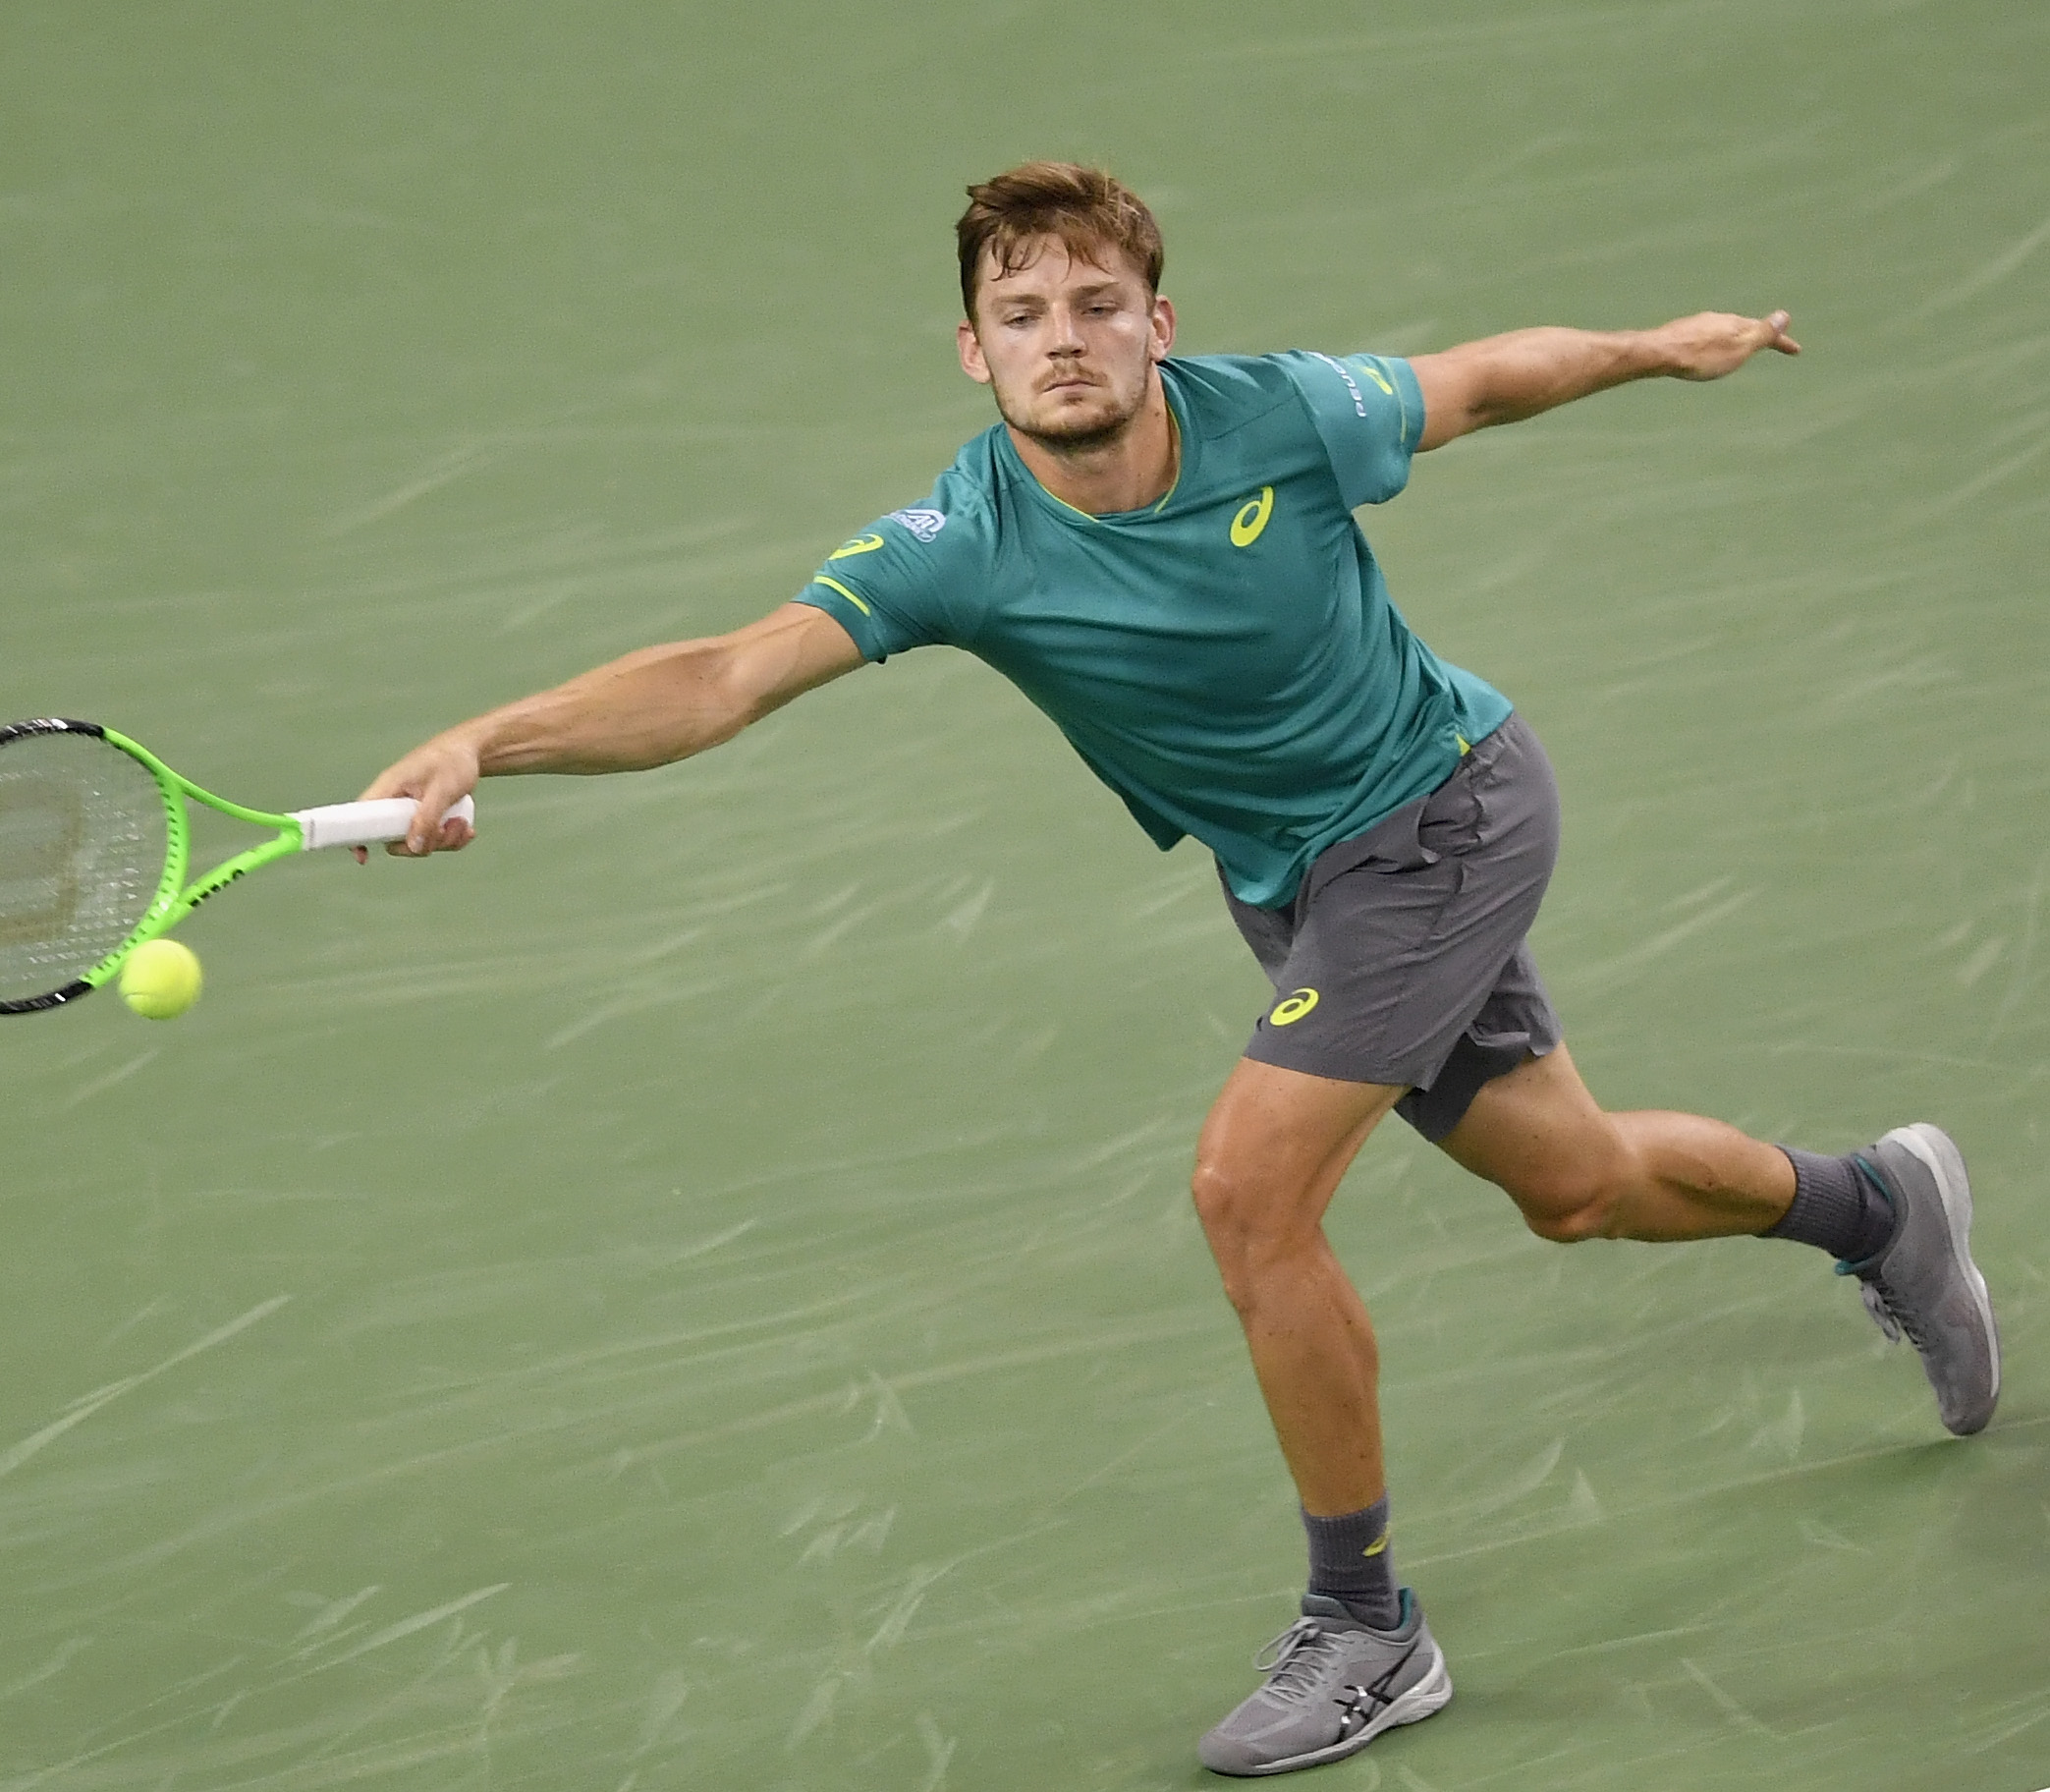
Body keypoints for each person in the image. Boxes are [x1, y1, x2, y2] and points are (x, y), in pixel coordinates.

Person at [357, 162, 2000, 1778]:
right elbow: (723, 676)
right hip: (1296, 885)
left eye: (1093, 304)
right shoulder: (958, 541)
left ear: (1157, 323)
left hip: (1442, 818)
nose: (1059, 337)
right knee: (1574, 1185)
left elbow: (1488, 382)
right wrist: (492, 739)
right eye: (1020, 314)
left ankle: (1366, 1628)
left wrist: (1655, 344)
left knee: (1248, 1193)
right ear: (973, 351)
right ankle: (1879, 1206)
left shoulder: (1280, 414)